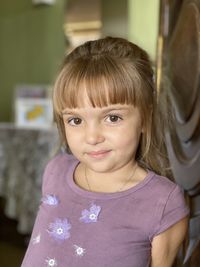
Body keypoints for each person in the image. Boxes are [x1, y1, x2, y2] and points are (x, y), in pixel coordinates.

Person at [21, 37, 189, 267]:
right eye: (76, 120)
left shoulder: (162, 202)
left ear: (145, 118)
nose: (92, 137)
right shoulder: (55, 170)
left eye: (112, 118)